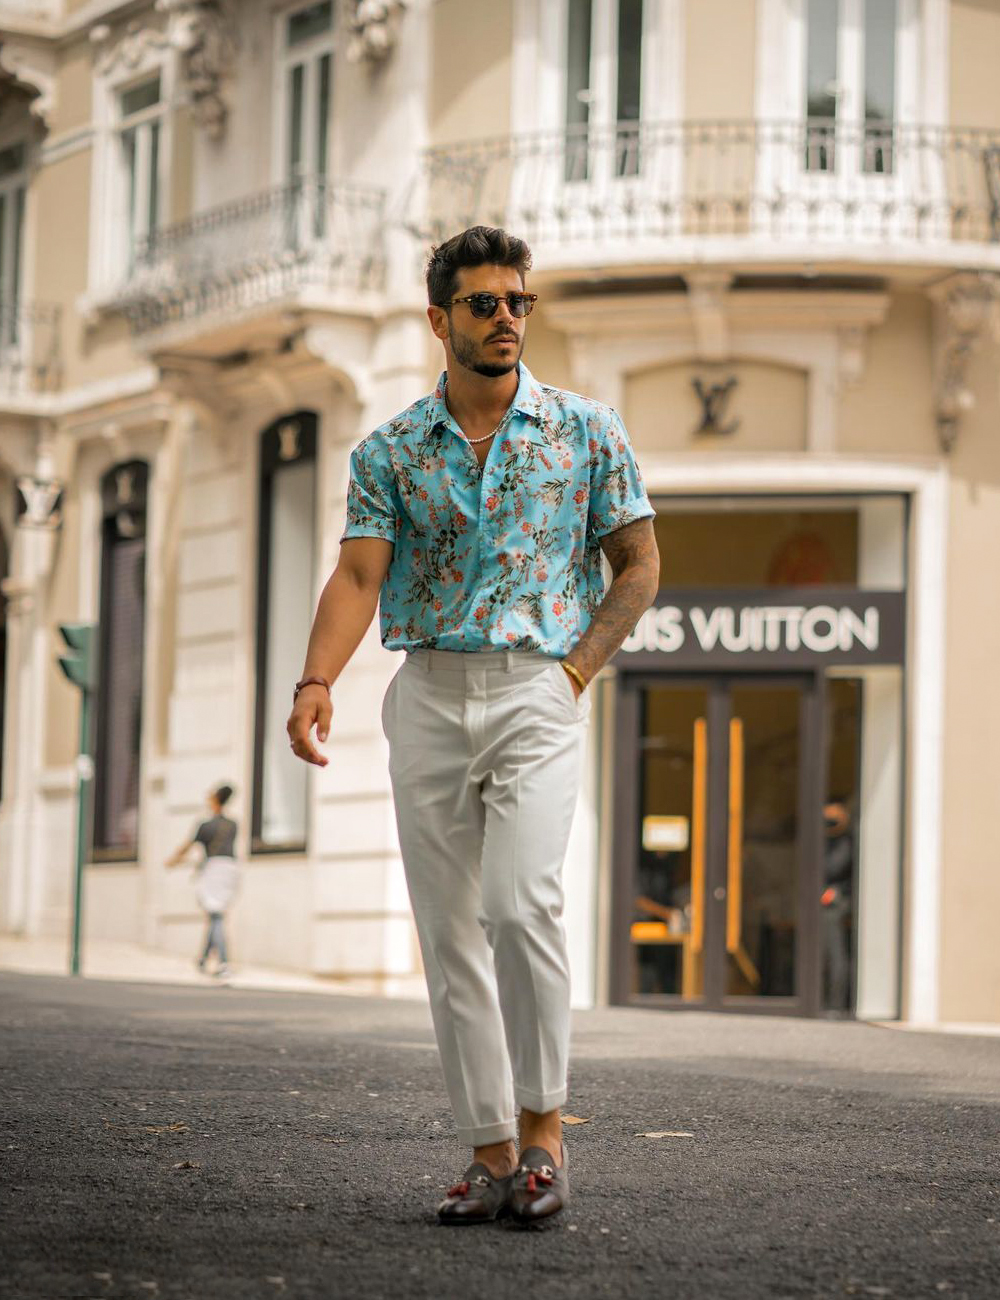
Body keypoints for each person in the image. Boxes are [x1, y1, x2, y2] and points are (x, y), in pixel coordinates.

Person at [286, 225, 659, 1226]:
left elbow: (638, 563)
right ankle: (489, 1152)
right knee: (448, 932)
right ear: (439, 318)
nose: (506, 319)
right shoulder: (392, 449)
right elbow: (360, 572)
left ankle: (543, 1135)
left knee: (519, 903)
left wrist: (575, 671)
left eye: (518, 302)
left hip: (538, 688)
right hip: (430, 694)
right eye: (486, 303)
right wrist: (317, 677)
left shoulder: (586, 430)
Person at [166, 784, 239, 979]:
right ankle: (204, 959)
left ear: (216, 800)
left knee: (216, 917)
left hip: (213, 870)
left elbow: (187, 846)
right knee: (215, 915)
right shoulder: (233, 825)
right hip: (230, 868)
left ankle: (223, 962)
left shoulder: (205, 826)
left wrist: (173, 861)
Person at [821, 798, 855, 1012]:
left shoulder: (847, 842)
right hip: (827, 904)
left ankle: (836, 1005)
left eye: (834, 819)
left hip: (838, 904)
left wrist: (836, 892)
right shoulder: (826, 841)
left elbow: (832, 868)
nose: (830, 823)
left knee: (837, 956)